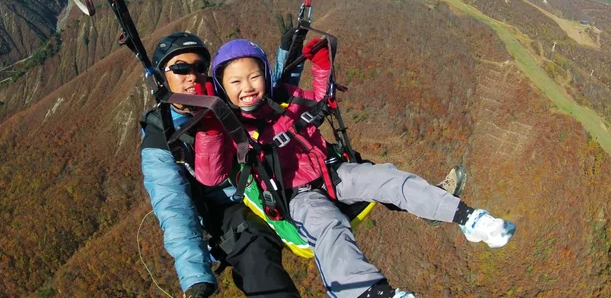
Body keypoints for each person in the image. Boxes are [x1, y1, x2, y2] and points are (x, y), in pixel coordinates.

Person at [194, 38, 517, 298]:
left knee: (387, 178)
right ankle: (367, 292)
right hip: (294, 196)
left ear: (265, 75)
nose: (247, 87)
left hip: (333, 174)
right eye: (235, 81)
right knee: (328, 226)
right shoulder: (228, 127)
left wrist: (322, 68)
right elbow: (211, 176)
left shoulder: (285, 98)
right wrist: (209, 130)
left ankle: (469, 219)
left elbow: (321, 101)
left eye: (254, 76)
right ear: (223, 88)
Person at [140, 32, 301, 298]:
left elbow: (268, 92)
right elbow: (174, 207)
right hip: (230, 212)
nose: (192, 76)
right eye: (180, 68)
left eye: (200, 67)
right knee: (257, 258)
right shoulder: (161, 138)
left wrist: (289, 52)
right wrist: (195, 278)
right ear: (162, 78)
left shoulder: (225, 98)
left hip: (265, 183)